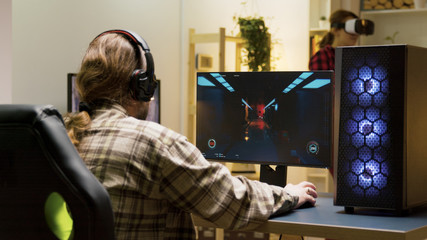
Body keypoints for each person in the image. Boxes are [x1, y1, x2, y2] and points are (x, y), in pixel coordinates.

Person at [64, 29, 317, 239]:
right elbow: (231, 200)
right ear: (140, 85)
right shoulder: (155, 142)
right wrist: (289, 195)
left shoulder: (62, 138)